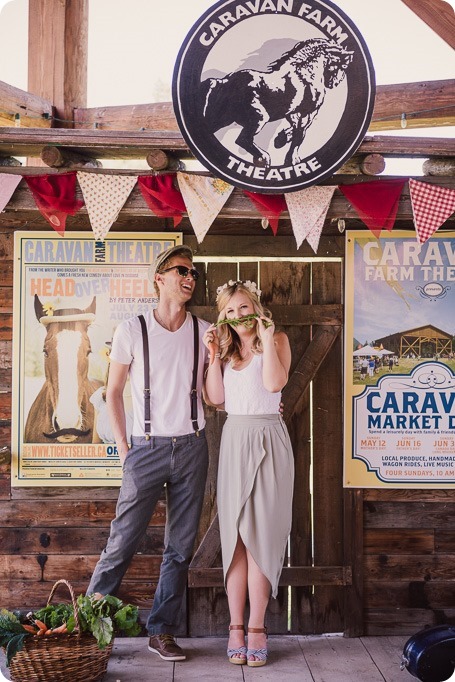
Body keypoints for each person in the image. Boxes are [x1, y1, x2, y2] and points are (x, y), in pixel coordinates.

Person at [87, 245, 210, 662]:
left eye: (194, 272)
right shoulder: (131, 330)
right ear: (159, 278)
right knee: (122, 542)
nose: (190, 277)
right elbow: (113, 393)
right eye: (182, 270)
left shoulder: (205, 331)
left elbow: (226, 385)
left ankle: (162, 631)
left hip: (193, 447)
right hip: (146, 448)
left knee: (180, 548)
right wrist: (124, 449)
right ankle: (87, 627)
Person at [202, 280, 294, 668]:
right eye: (231, 311)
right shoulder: (224, 353)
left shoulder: (278, 341)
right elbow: (216, 399)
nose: (239, 316)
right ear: (223, 316)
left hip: (269, 439)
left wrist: (269, 338)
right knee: (236, 538)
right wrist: (211, 356)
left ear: (255, 307)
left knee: (261, 537)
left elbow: (274, 383)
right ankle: (235, 627)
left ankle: (257, 627)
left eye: (244, 308)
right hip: (235, 440)